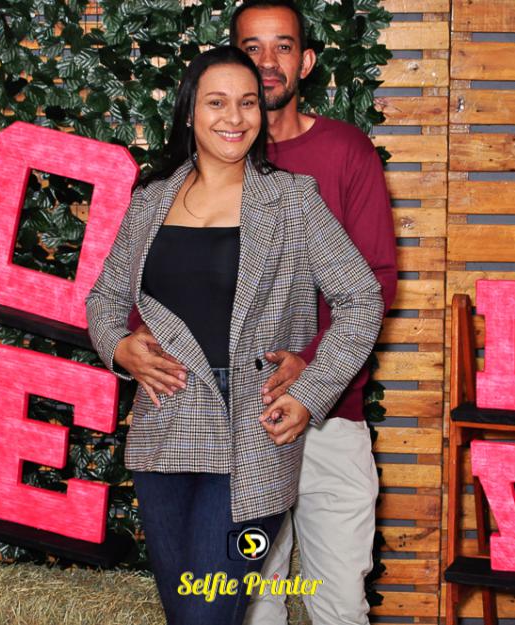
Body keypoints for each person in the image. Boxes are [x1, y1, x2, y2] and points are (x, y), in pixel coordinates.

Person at [85, 45, 384, 625]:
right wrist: (119, 347)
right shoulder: (150, 200)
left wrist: (310, 391)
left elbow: (361, 298)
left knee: (207, 614)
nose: (235, 117)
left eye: (248, 103)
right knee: (186, 614)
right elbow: (105, 299)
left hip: (254, 430)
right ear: (189, 112)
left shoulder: (293, 199)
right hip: (165, 426)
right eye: (217, 102)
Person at [230, 3, 398, 625]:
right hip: (243, 420)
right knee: (253, 602)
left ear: (305, 62)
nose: (267, 62)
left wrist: (312, 372)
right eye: (252, 48)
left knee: (340, 604)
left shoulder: (346, 151)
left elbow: (375, 280)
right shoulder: (213, 160)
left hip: (333, 416)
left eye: (282, 46)